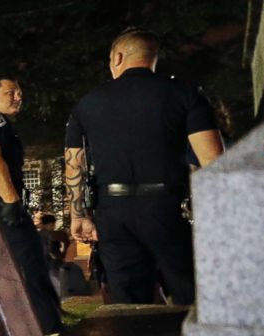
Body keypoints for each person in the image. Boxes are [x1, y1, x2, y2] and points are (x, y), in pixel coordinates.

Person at [64, 28, 224, 304]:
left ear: (118, 57)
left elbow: (74, 164)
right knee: (192, 296)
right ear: (153, 58)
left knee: (129, 303)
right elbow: (212, 160)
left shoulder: (87, 103)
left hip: (112, 212)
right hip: (168, 208)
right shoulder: (184, 93)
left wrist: (78, 216)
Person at [0, 78, 63, 335]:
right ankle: (49, 332)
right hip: (3, 209)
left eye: (20, 93)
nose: (18, 97)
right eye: (11, 93)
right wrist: (11, 202)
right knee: (31, 268)